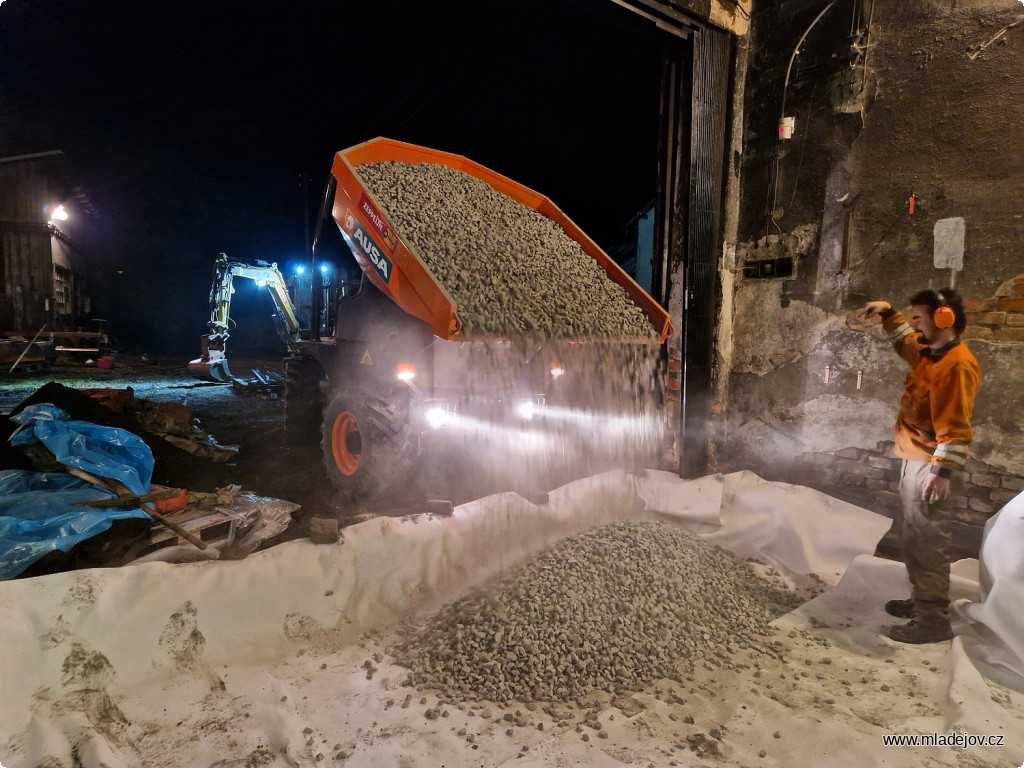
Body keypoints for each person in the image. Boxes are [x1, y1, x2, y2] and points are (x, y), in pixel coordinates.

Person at [861, 288, 981, 644]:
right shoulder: (930, 354)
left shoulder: (956, 365)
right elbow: (906, 344)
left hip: (930, 467)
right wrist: (887, 313)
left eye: (918, 317)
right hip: (916, 458)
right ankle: (920, 602)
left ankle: (933, 621)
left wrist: (941, 473)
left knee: (927, 543)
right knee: (914, 538)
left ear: (943, 318)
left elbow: (956, 425)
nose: (913, 323)